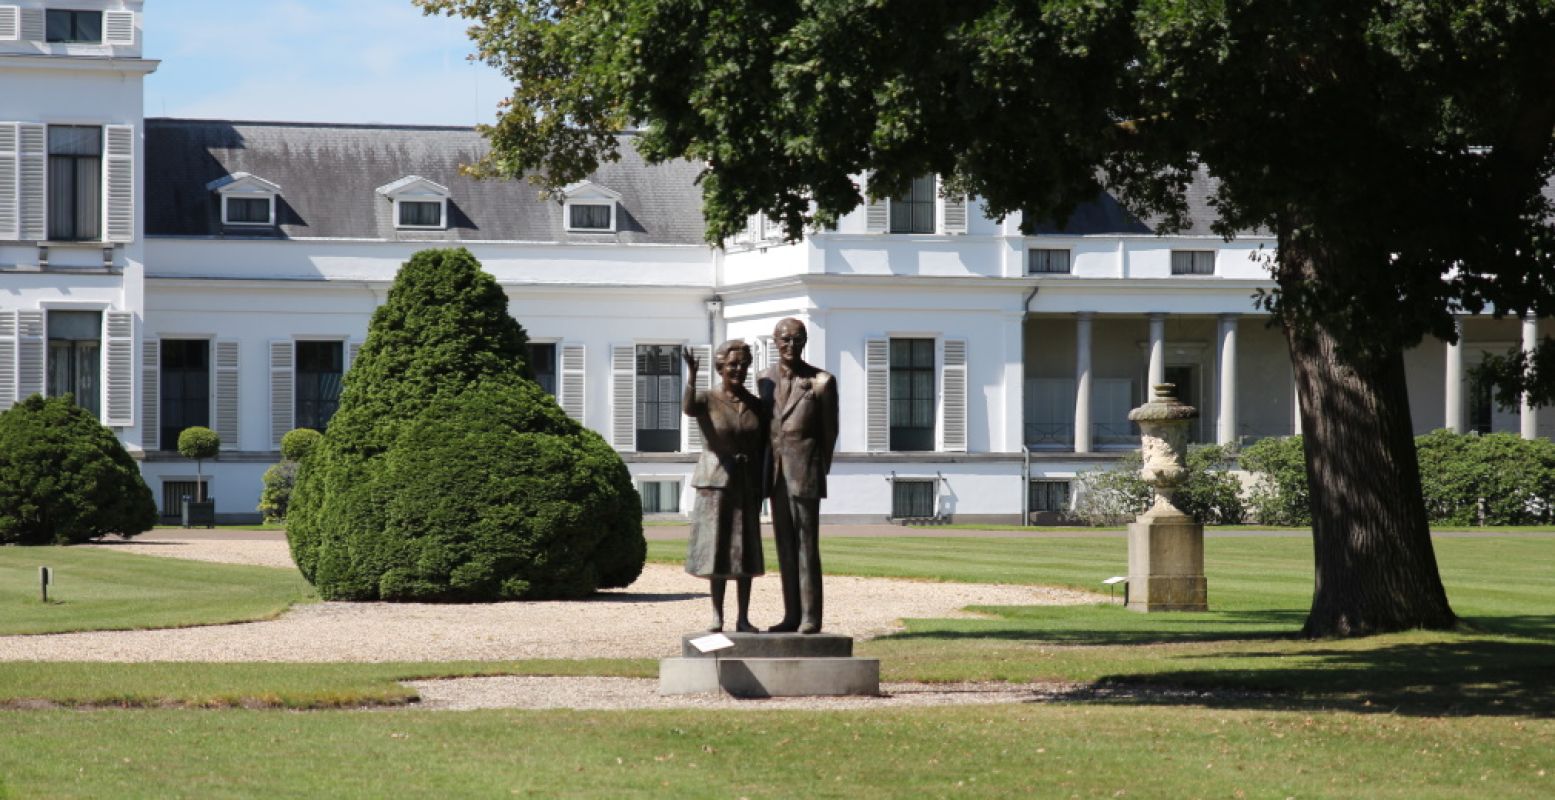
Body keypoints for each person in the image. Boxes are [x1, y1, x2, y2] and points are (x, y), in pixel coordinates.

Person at [757, 318, 839, 634]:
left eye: (797, 340)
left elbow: (829, 433)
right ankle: (791, 614)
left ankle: (810, 616)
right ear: (775, 342)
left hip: (805, 472)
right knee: (784, 548)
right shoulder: (764, 379)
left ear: (804, 343)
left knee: (807, 546)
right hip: (776, 474)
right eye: (785, 340)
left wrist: (818, 470)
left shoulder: (821, 382)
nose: (791, 346)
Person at [682, 340, 767, 632]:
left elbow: (764, 444)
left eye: (743, 364)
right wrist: (691, 377)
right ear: (720, 367)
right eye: (732, 364)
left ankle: (743, 618)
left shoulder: (755, 404)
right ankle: (717, 615)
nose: (739, 369)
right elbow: (689, 408)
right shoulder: (707, 398)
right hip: (715, 482)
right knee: (716, 551)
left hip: (746, 482)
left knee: (744, 551)